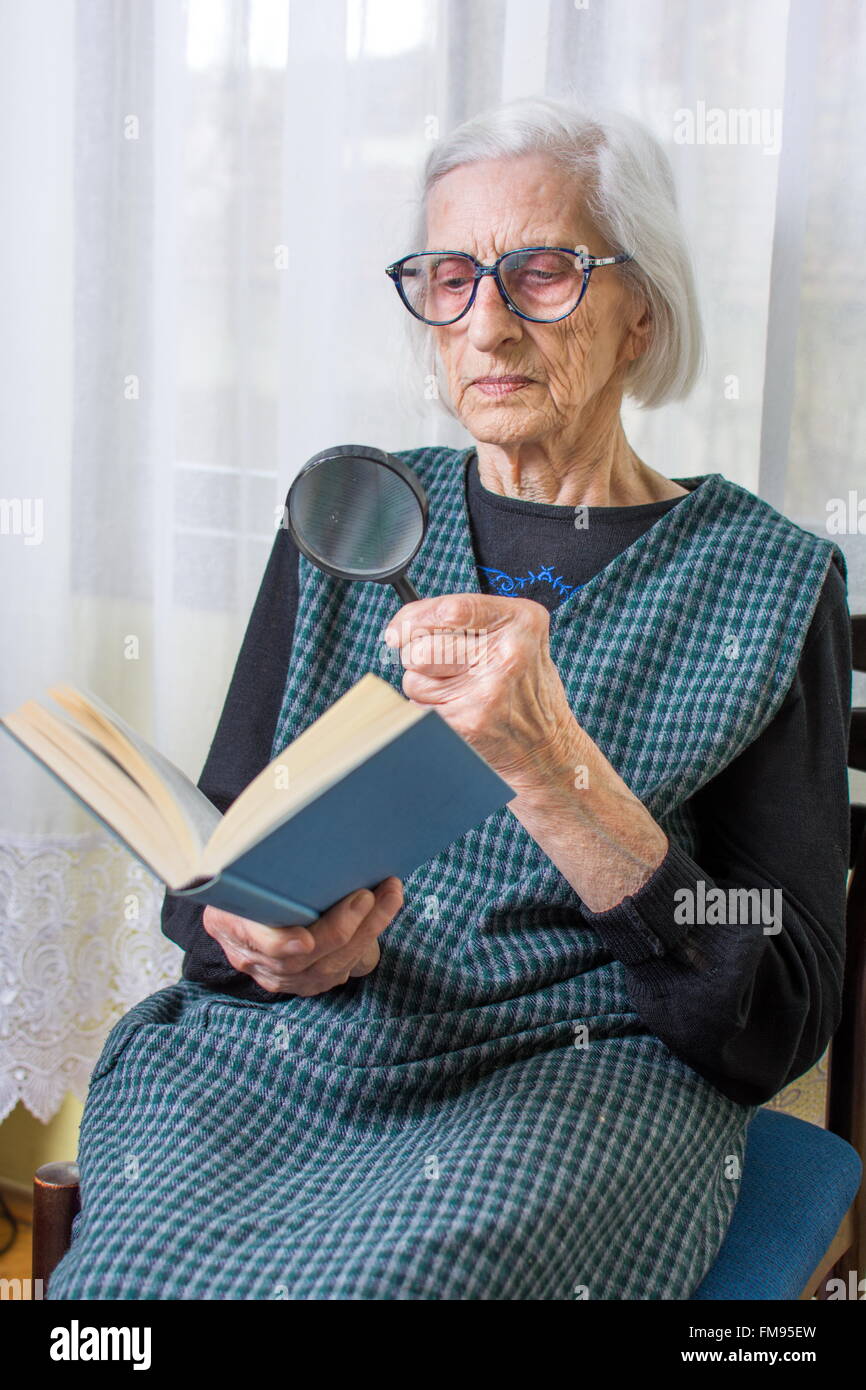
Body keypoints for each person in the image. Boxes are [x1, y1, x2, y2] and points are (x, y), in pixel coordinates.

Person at [48, 95, 850, 1302]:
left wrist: (553, 766)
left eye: (539, 272)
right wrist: (257, 940)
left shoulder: (768, 578)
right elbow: (211, 864)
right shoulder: (344, 517)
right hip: (292, 1044)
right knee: (132, 1280)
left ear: (640, 311)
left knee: (421, 1274)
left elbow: (777, 1009)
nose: (484, 323)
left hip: (571, 1073)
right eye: (446, 276)